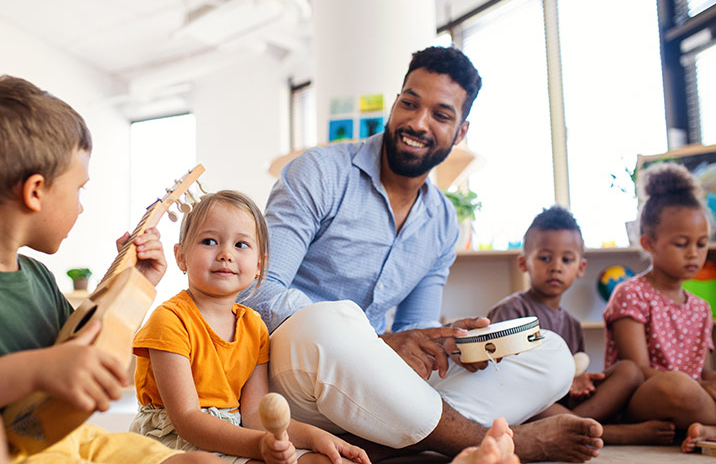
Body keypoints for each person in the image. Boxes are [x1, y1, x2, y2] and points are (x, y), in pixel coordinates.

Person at [237, 46, 603, 463]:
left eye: (440, 115)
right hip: (296, 373)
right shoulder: (319, 172)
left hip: (376, 394)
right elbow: (258, 291)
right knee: (327, 321)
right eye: (409, 103)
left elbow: (416, 327)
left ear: (460, 131)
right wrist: (375, 343)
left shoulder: (444, 221)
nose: (417, 122)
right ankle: (495, 443)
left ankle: (379, 446)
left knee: (551, 352)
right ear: (395, 103)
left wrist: (452, 344)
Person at [0, 75, 221, 463]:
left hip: (68, 439)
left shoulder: (36, 277)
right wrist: (36, 370)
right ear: (35, 191)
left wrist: (133, 282)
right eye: (79, 189)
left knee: (199, 461)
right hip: (16, 449)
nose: (81, 206)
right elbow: (52, 365)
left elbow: (84, 339)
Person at [130, 190, 370, 464]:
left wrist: (318, 437)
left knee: (326, 461)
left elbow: (255, 415)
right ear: (181, 256)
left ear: (259, 265)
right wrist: (260, 446)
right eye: (209, 241)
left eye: (241, 245)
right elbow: (187, 420)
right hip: (171, 443)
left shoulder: (254, 328)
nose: (225, 254)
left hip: (235, 436)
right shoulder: (169, 320)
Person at [488, 205, 676, 445]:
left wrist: (581, 380)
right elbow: (499, 374)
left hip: (563, 402)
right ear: (524, 263)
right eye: (545, 258)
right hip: (528, 401)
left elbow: (577, 368)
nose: (556, 266)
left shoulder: (572, 324)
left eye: (567, 259)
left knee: (629, 372)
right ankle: (608, 433)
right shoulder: (512, 311)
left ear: (580, 268)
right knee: (534, 404)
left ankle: (574, 426)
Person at [602, 162, 716, 453]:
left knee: (687, 387)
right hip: (643, 398)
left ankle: (707, 429)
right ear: (648, 243)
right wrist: (700, 387)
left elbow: (705, 372)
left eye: (702, 244)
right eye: (681, 243)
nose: (694, 253)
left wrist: (709, 384)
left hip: (693, 398)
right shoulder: (631, 293)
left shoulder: (702, 309)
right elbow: (637, 371)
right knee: (676, 386)